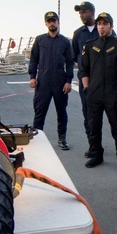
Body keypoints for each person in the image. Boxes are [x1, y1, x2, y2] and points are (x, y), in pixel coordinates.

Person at [77, 12, 117, 170]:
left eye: (105, 24)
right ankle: (96, 155)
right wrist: (86, 88)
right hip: (93, 93)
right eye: (99, 24)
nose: (101, 26)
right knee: (94, 127)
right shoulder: (90, 45)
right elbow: (83, 70)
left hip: (112, 94)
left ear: (111, 26)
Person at [29, 11, 74, 150]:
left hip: (60, 81)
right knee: (40, 111)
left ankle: (62, 139)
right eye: (49, 21)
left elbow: (70, 62)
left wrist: (68, 80)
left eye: (54, 20)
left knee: (61, 111)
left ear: (58, 22)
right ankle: (36, 138)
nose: (51, 23)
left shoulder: (65, 41)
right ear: (46, 23)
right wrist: (32, 77)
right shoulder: (40, 40)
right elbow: (34, 59)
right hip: (43, 81)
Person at [72, 1, 98, 149]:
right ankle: (92, 145)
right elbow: (75, 56)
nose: (81, 15)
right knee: (87, 113)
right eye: (80, 13)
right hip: (85, 80)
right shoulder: (78, 34)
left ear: (92, 12)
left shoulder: (103, 28)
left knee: (113, 114)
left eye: (84, 12)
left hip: (102, 80)